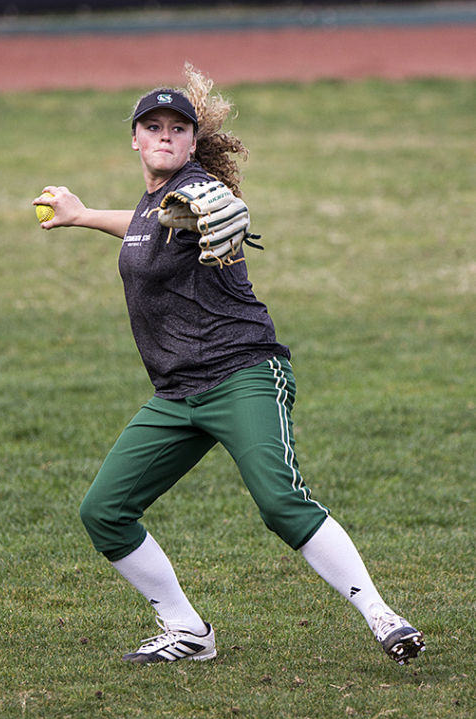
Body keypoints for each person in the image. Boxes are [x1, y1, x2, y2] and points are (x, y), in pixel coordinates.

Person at [33, 64, 425, 666]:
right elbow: (141, 229)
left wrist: (225, 214)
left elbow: (215, 211)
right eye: (153, 126)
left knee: (279, 501)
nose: (165, 136)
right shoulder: (151, 208)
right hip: (176, 393)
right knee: (104, 511)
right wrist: (83, 215)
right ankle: (187, 629)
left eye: (177, 128)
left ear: (193, 141)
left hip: (242, 373)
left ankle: (382, 615)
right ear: (134, 139)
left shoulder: (199, 192)